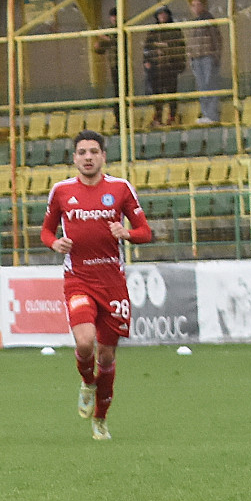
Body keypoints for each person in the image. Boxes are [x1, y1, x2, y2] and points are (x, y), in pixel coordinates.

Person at [40, 131, 153, 441]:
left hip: (112, 283)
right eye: (82, 152)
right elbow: (46, 231)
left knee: (106, 356)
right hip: (78, 279)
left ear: (103, 156)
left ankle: (100, 419)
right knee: (85, 342)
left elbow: (145, 231)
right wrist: (55, 243)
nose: (87, 157)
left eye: (93, 151)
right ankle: (87, 382)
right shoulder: (61, 191)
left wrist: (127, 233)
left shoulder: (120, 188)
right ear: (74, 158)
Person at [142, 6, 186, 128]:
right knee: (157, 94)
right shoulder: (153, 31)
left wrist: (168, 52)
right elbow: (147, 49)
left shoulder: (175, 30)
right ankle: (158, 117)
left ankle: (172, 116)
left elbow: (180, 48)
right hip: (156, 68)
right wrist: (147, 61)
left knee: (171, 92)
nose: (162, 16)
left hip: (170, 67)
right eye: (160, 14)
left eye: (164, 14)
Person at [187, 0, 223, 125]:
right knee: (202, 87)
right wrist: (191, 56)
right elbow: (191, 42)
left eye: (198, 4)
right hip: (196, 58)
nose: (196, 8)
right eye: (193, 5)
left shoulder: (209, 19)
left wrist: (216, 56)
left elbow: (217, 39)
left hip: (208, 56)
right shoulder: (193, 23)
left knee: (210, 85)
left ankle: (212, 115)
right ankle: (206, 114)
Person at [93, 8, 121, 126]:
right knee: (117, 92)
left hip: (123, 65)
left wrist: (104, 37)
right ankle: (118, 119)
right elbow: (102, 49)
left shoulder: (122, 28)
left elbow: (116, 41)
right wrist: (98, 45)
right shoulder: (110, 29)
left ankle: (122, 119)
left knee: (122, 93)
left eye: (115, 16)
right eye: (112, 16)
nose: (114, 18)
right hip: (114, 65)